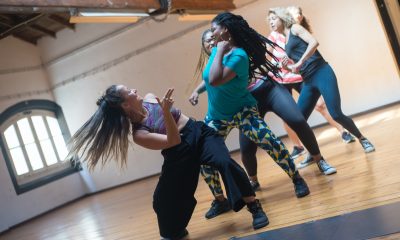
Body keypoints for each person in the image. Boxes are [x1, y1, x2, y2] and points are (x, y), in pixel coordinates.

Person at [67, 86, 271, 239]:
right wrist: (165, 113)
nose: (134, 89)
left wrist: (165, 111)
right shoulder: (139, 134)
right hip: (178, 151)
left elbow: (181, 127)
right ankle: (174, 230)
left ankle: (253, 206)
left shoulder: (149, 99)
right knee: (163, 199)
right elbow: (173, 141)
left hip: (199, 134)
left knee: (224, 162)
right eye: (129, 90)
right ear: (125, 104)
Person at [190, 25, 337, 218]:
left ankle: (297, 178)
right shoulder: (213, 61)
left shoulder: (233, 55)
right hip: (217, 117)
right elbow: (209, 79)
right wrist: (196, 91)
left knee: (272, 142)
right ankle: (220, 200)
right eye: (206, 41)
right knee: (205, 155)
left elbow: (218, 78)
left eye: (213, 38)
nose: (211, 43)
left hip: (244, 110)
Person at [268, 7, 375, 170]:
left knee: (336, 113)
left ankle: (362, 138)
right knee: (298, 120)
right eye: (269, 20)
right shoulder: (284, 37)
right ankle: (314, 154)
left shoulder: (295, 28)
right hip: (308, 80)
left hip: (322, 72)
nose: (271, 22)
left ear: (282, 18)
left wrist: (299, 62)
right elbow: (296, 68)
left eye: (273, 18)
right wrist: (288, 67)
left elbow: (314, 42)